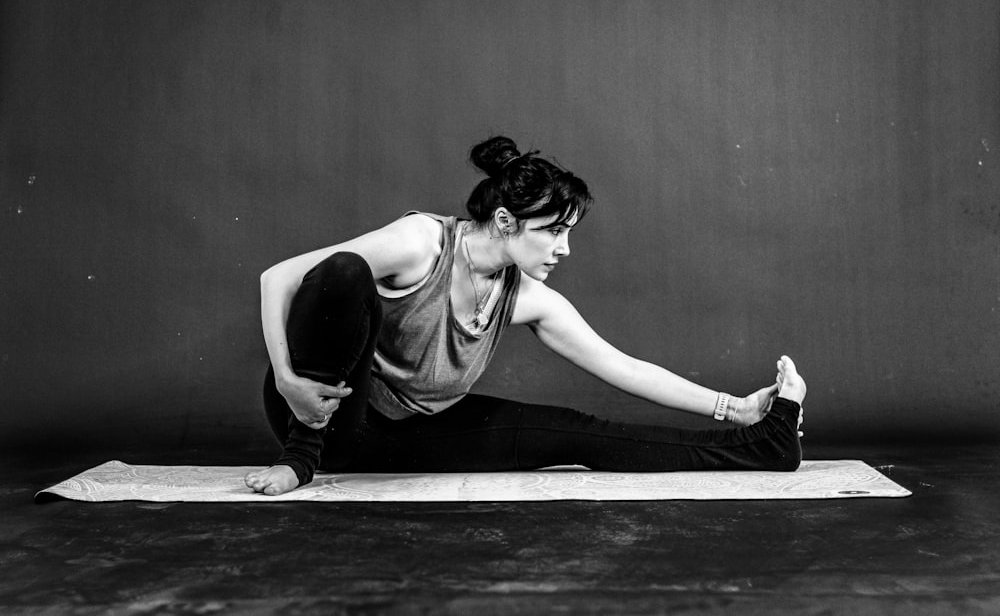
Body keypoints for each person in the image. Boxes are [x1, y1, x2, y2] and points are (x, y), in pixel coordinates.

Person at [245, 135, 807, 496]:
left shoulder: (527, 296)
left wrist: (737, 409)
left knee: (581, 435)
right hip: (323, 414)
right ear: (508, 222)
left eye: (568, 233)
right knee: (344, 271)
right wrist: (290, 381)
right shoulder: (422, 244)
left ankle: (765, 445)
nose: (563, 249)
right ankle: (300, 460)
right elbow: (280, 277)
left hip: (403, 435)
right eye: (553, 232)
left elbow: (624, 368)